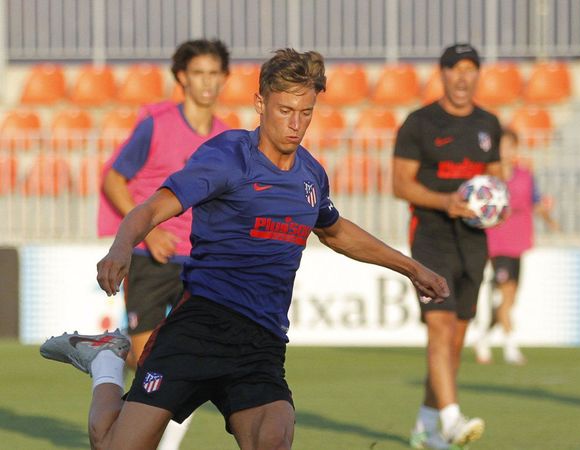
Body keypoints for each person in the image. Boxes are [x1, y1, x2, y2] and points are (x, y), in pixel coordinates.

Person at [40, 48, 450, 450]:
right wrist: (121, 246)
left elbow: (336, 231)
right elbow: (152, 207)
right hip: (200, 327)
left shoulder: (311, 175)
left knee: (273, 439)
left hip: (262, 343)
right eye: (285, 110)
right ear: (260, 103)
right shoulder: (227, 157)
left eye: (305, 112)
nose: (295, 124)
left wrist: (411, 268)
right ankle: (107, 363)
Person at [97, 38, 230, 450]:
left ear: (224, 78)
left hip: (203, 262)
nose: (206, 82)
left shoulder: (229, 138)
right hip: (152, 256)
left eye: (214, 73)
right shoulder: (156, 124)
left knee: (194, 361)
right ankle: (107, 362)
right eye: (198, 73)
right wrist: (149, 231)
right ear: (182, 77)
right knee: (147, 360)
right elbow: (113, 181)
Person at [393, 43, 503, 449]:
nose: (462, 77)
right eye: (455, 69)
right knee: (439, 329)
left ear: (477, 76)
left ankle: (425, 427)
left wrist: (498, 205)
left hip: (474, 241)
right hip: (431, 236)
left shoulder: (489, 123)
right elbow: (399, 183)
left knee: (455, 340)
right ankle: (452, 421)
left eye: (470, 70)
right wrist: (445, 202)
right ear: (442, 74)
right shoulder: (420, 123)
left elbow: (494, 179)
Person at [474, 128, 559, 366]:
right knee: (507, 294)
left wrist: (550, 219)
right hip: (496, 243)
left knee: (509, 298)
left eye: (510, 146)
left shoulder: (525, 175)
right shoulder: (488, 179)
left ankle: (482, 336)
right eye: (502, 146)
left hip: (518, 243)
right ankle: (510, 347)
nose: (506, 151)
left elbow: (535, 203)